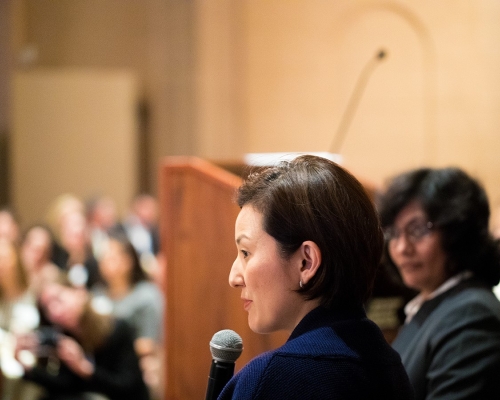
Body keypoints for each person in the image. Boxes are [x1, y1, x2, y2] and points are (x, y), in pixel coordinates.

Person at [219, 155, 413, 399]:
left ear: (306, 262)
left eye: (246, 253)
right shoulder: (388, 363)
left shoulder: (273, 379)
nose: (234, 277)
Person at [377, 167, 500, 400]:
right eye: (394, 232)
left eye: (417, 230)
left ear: (458, 233)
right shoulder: (434, 303)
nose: (402, 247)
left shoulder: (471, 314)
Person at [15, 279, 150, 400]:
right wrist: (26, 367)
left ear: (79, 292)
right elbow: (67, 385)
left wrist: (85, 368)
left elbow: (128, 388)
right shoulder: (66, 336)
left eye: (58, 299)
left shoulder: (117, 329)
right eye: (47, 308)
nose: (55, 311)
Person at [91, 233, 163, 396]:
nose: (104, 261)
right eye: (102, 257)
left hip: (134, 369)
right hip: (99, 370)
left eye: (111, 256)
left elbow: (149, 343)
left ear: (128, 261)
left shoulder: (146, 295)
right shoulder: (96, 295)